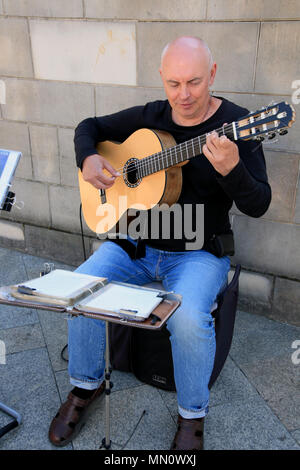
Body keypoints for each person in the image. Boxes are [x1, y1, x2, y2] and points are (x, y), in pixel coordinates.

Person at [48, 36, 271, 450]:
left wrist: (234, 170)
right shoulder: (151, 116)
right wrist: (88, 158)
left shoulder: (238, 126)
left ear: (214, 75)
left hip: (199, 252)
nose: (183, 96)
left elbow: (259, 203)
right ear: (162, 80)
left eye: (194, 82)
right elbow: (89, 127)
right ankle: (84, 387)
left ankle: (191, 417)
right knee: (78, 291)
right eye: (173, 83)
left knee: (187, 319)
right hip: (135, 243)